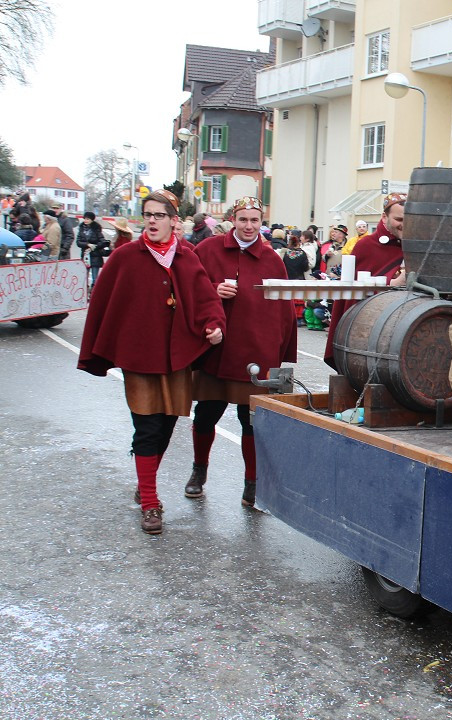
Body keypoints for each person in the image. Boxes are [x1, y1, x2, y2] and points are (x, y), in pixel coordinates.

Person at [77, 190, 226, 534]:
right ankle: (150, 503)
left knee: (166, 426)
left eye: (160, 215)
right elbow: (104, 303)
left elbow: (206, 301)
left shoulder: (187, 257)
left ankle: (144, 484)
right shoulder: (125, 256)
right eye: (148, 215)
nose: (153, 221)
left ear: (175, 221)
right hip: (139, 357)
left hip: (177, 359)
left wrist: (214, 326)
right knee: (146, 429)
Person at [190, 197, 296, 507]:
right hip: (216, 351)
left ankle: (252, 482)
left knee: (250, 422)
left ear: (261, 221)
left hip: (256, 354)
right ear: (232, 219)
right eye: (243, 220)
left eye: (254, 220)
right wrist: (213, 289)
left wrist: (282, 354)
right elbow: (187, 289)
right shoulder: (207, 250)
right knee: (206, 413)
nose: (249, 226)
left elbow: (284, 309)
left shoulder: (272, 259)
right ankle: (199, 471)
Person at [324, 192, 408, 368]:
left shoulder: (415, 244)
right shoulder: (366, 245)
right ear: (384, 217)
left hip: (402, 333)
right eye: (399, 219)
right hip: (368, 333)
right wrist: (390, 283)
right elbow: (354, 294)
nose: (405, 225)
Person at [76, 212, 108, 287]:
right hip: (85, 255)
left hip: (95, 256)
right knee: (84, 277)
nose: (85, 220)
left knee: (95, 278)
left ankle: (93, 293)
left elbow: (102, 242)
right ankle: (85, 292)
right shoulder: (81, 228)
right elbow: (78, 242)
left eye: (88, 219)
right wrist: (87, 244)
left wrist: (94, 246)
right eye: (84, 218)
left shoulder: (96, 229)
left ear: (92, 220)